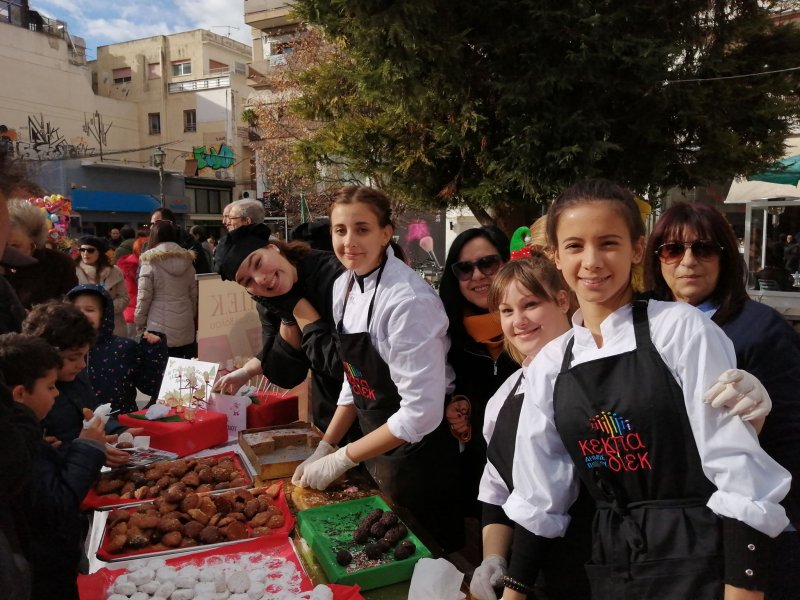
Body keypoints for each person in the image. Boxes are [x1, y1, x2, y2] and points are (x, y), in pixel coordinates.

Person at [502, 179, 790, 600]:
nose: (592, 261)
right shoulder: (550, 364)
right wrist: (514, 589)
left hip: (699, 557)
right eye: (575, 246)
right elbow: (539, 495)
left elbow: (739, 471)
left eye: (609, 243)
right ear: (555, 257)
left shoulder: (680, 329)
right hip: (611, 563)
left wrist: (743, 589)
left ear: (637, 250)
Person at [291, 186, 462, 552]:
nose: (349, 241)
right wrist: (327, 444)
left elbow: (420, 413)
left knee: (423, 560)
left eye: (362, 229)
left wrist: (343, 457)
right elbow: (356, 378)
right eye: (340, 230)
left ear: (386, 233)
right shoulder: (343, 287)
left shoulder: (409, 301)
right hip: (376, 450)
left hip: (419, 462)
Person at [644, 202, 800, 599]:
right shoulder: (640, 326)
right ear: (656, 258)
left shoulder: (761, 329)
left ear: (726, 258)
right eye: (672, 250)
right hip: (661, 531)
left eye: (705, 249)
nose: (688, 261)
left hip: (739, 526)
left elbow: (791, 437)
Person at [471, 254, 593, 600]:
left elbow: (545, 496)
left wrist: (515, 589)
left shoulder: (588, 376)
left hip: (586, 569)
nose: (518, 321)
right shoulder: (505, 393)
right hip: (528, 572)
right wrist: (493, 557)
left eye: (530, 305)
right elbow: (496, 488)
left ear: (562, 300)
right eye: (507, 311)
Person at [0, 333, 106, 600]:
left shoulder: (28, 437)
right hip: (48, 574)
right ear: (21, 393)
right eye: (49, 387)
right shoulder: (16, 448)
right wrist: (87, 448)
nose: (57, 393)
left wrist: (70, 450)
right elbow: (56, 502)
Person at [213, 222, 346, 433]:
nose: (261, 280)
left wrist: (298, 308)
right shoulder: (268, 301)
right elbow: (282, 372)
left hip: (378, 411)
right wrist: (247, 371)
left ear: (273, 248)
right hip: (328, 405)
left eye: (257, 263)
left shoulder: (337, 276)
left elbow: (343, 364)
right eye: (247, 280)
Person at [438, 227, 517, 522]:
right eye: (465, 268)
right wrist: (454, 406)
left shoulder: (534, 331)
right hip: (476, 481)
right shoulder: (447, 336)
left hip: (534, 483)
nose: (478, 276)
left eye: (488, 263)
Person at [21, 300, 132, 467]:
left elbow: (95, 412)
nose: (82, 365)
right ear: (45, 353)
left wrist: (118, 432)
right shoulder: (31, 393)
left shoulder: (76, 376)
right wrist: (89, 449)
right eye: (73, 358)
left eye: (84, 356)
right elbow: (46, 450)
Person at [66, 284, 168, 414]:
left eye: (89, 310)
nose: (81, 315)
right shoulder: (62, 348)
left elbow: (151, 386)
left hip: (121, 424)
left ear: (103, 315)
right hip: (75, 427)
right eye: (75, 310)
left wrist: (153, 351)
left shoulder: (124, 348)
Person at [136, 220, 198, 359]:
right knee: (183, 374)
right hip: (185, 324)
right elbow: (193, 296)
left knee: (160, 375)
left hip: (158, 329)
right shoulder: (188, 261)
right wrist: (190, 316)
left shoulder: (149, 261)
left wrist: (139, 323)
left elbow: (144, 297)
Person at [5, 198, 78, 309]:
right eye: (4, 244)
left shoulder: (60, 264)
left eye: (16, 245)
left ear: (34, 240)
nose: (8, 250)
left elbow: (70, 308)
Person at [74, 235, 129, 337]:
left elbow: (124, 297)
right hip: (83, 326)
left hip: (113, 325)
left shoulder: (115, 271)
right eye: (82, 250)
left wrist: (106, 309)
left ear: (99, 252)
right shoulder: (74, 271)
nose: (85, 253)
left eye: (90, 250)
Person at [149, 207, 211, 273]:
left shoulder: (192, 245)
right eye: (151, 224)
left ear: (169, 223)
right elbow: (141, 274)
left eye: (155, 224)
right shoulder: (147, 245)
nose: (151, 227)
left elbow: (202, 274)